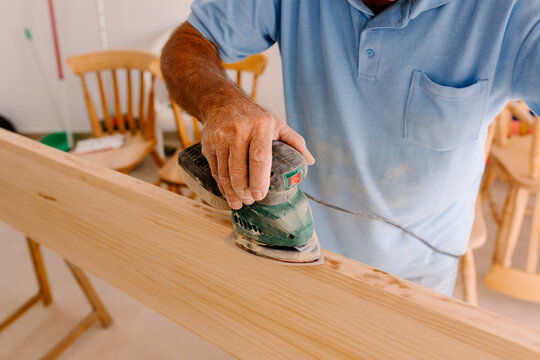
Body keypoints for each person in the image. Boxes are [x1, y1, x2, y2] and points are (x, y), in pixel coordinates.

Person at [161, 0, 540, 295]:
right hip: (303, 252)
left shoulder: (517, 12)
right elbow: (189, 43)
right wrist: (221, 101)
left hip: (421, 265)